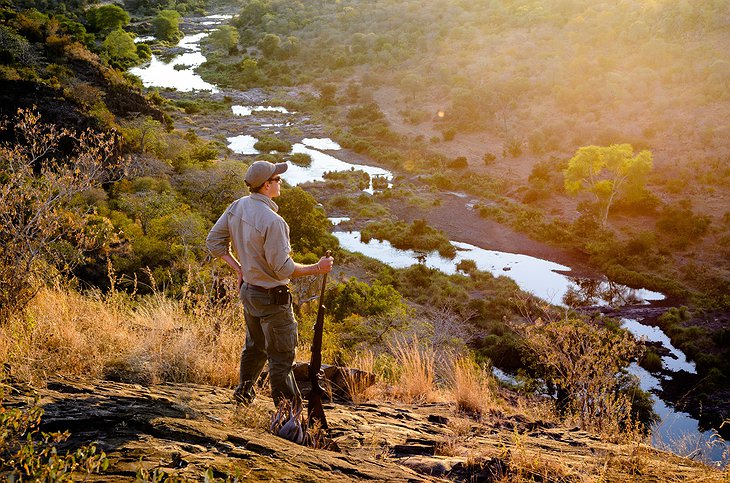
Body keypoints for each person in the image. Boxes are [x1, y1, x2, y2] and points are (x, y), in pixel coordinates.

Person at [206, 160, 334, 407]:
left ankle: (243, 396)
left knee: (254, 347)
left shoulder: (237, 206)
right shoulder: (274, 222)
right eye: (277, 179)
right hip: (273, 298)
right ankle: (288, 416)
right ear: (266, 185)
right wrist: (317, 268)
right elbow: (283, 269)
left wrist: (240, 269)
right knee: (282, 359)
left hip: (249, 293)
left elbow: (214, 243)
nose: (280, 181)